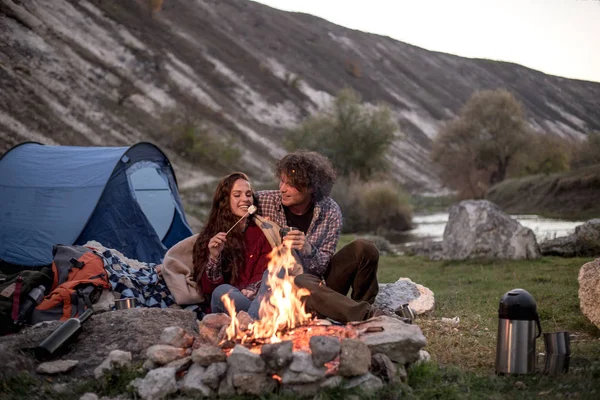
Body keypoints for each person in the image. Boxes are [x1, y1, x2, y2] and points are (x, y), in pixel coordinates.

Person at [255, 151, 382, 323]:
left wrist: (308, 249)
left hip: (321, 284)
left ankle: (361, 309)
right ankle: (368, 316)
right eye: (282, 181)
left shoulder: (330, 211)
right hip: (285, 291)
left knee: (365, 248)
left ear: (311, 187)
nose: (282, 188)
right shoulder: (264, 201)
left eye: (290, 184)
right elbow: (233, 202)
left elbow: (323, 267)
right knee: (299, 280)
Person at [192, 172, 278, 316]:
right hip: (228, 303)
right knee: (222, 291)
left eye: (248, 194)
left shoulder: (262, 232)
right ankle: (256, 320)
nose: (245, 199)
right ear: (225, 200)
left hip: (256, 300)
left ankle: (253, 320)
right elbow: (207, 290)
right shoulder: (210, 236)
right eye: (237, 195)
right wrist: (214, 257)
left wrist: (253, 289)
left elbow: (265, 270)